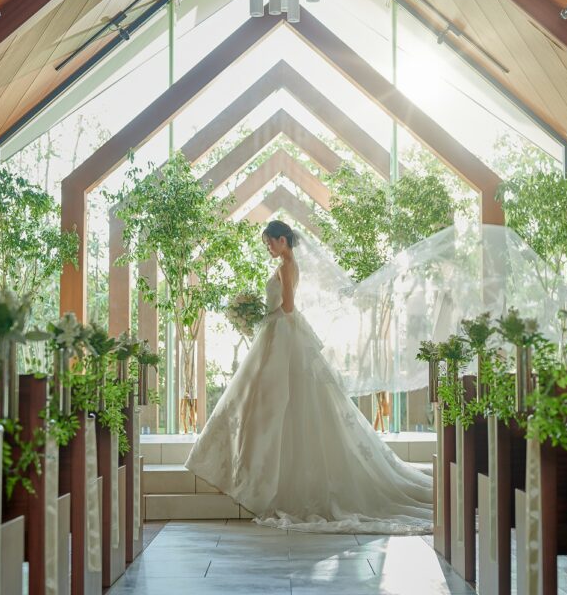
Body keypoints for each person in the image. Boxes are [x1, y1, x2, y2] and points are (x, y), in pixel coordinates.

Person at [185, 220, 432, 534]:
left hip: (283, 334)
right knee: (263, 400)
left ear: (283, 240)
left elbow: (288, 307)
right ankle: (245, 467)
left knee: (272, 400)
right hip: (278, 334)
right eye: (266, 244)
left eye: (270, 242)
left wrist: (261, 313)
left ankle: (254, 473)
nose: (268, 248)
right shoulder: (287, 264)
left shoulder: (288, 267)